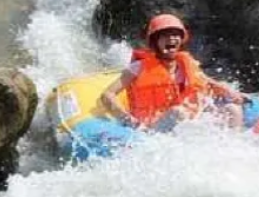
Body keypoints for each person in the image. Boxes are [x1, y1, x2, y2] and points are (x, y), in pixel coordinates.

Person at [101, 13, 248, 131]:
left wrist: (230, 92)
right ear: (155, 41)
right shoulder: (138, 67)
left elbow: (209, 83)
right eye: (165, 35)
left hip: (188, 121)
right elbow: (107, 95)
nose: (172, 38)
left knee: (232, 109)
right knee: (178, 112)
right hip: (151, 126)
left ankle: (233, 151)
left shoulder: (186, 63)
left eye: (176, 35)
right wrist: (129, 120)